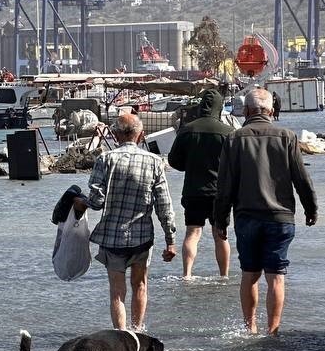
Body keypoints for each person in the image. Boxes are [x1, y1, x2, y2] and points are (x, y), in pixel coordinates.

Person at [213, 88, 317, 336]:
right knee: (276, 276)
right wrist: (310, 208)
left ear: (246, 111)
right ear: (271, 111)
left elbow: (225, 185)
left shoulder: (234, 139)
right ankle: (273, 330)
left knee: (249, 274)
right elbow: (301, 178)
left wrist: (221, 220)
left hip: (247, 217)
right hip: (281, 218)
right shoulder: (287, 137)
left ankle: (250, 328)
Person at [73, 113, 177, 331]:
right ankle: (137, 332)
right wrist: (170, 240)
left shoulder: (105, 159)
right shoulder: (155, 162)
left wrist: (79, 202)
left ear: (116, 135)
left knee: (117, 292)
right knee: (140, 285)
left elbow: (97, 201)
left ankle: (121, 338)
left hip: (112, 238)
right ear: (141, 135)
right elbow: (164, 205)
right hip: (142, 238)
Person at [167, 88, 233, 279]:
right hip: (219, 194)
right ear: (219, 107)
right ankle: (224, 276)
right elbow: (236, 164)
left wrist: (188, 165)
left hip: (193, 191)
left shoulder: (187, 130)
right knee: (220, 234)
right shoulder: (228, 133)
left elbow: (173, 161)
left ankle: (187, 275)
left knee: (192, 233)